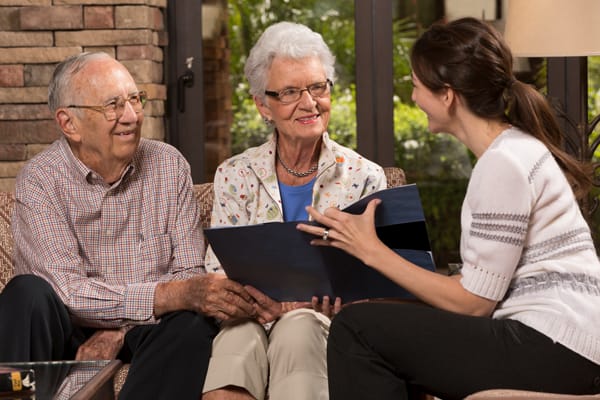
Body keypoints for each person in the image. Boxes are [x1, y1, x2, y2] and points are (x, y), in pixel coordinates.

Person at [297, 17, 600, 400]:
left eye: (417, 85)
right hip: (566, 345)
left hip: (553, 347)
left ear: (448, 94)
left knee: (356, 329)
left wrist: (370, 250)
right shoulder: (514, 148)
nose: (412, 98)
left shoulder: (503, 164)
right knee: (381, 328)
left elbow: (473, 304)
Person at [0, 52, 260, 400]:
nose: (131, 116)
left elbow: (188, 274)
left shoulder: (168, 165)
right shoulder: (41, 180)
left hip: (146, 328)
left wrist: (122, 330)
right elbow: (67, 291)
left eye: (135, 99)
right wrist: (167, 295)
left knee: (192, 325)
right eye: (112, 105)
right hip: (68, 330)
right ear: (69, 124)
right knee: (26, 294)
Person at [201, 22, 387, 400]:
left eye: (318, 87)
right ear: (263, 105)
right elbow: (217, 272)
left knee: (299, 328)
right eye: (289, 92)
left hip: (326, 326)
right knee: (235, 341)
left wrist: (301, 306)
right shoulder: (234, 174)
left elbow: (380, 281)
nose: (309, 103)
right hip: (249, 318)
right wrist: (267, 306)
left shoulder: (365, 177)